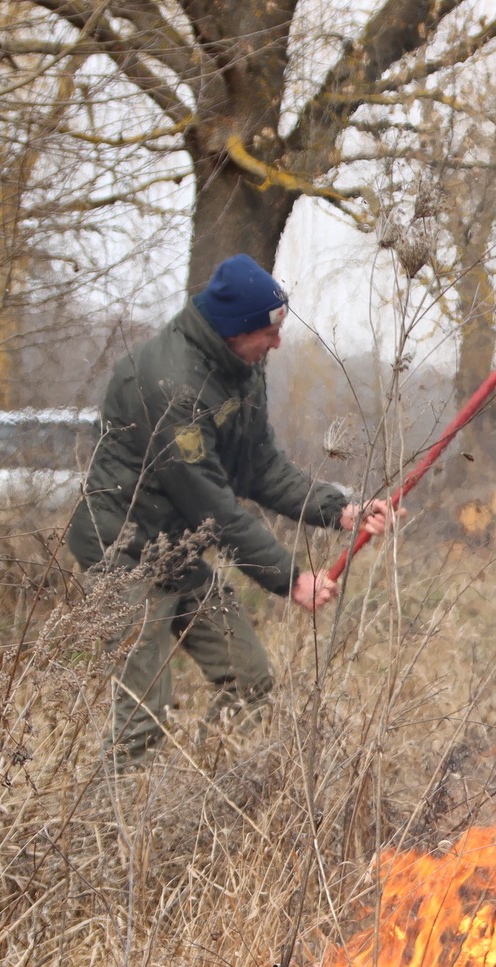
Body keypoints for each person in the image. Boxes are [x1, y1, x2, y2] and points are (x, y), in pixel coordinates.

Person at [67, 254, 389, 767]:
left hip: (176, 546)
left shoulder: (241, 367)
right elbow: (212, 505)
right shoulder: (172, 387)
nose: (278, 343)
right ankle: (106, 830)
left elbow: (260, 468)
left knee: (249, 678)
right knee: (141, 718)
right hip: (123, 549)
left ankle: (198, 799)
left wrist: (339, 509)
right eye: (270, 331)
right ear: (234, 330)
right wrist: (290, 579)